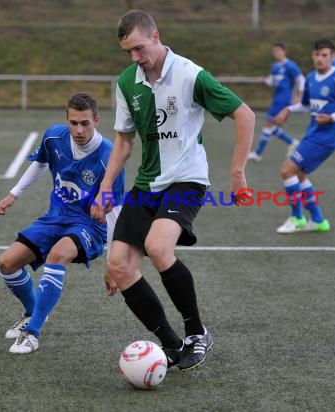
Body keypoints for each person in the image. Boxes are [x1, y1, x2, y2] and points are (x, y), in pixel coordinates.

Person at [91, 10, 254, 370]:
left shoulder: (190, 74)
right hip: (148, 183)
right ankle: (171, 344)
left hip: (187, 179)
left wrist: (237, 172)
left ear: (155, 36)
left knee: (157, 246)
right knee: (118, 265)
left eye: (138, 48)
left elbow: (245, 114)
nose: (135, 58)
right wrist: (105, 188)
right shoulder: (127, 83)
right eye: (128, 53)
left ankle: (197, 333)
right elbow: (123, 140)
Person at [0, 92, 125, 354]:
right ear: (66, 120)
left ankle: (32, 333)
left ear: (97, 120)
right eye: (74, 122)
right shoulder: (54, 136)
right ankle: (32, 312)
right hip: (56, 216)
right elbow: (40, 163)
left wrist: (113, 262)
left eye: (85, 123)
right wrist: (14, 193)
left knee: (57, 255)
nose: (79, 130)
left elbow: (115, 210)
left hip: (90, 225)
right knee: (7, 263)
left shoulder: (109, 156)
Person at [273, 39, 335, 234]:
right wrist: (289, 108)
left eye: (325, 55)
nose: (320, 59)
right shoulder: (311, 78)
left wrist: (332, 117)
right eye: (317, 55)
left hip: (325, 138)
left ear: (332, 57)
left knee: (287, 171)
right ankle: (319, 220)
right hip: (312, 133)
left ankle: (297, 218)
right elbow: (306, 105)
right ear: (312, 56)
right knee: (299, 174)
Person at [248, 43, 304, 161]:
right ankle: (293, 142)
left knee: (269, 125)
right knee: (272, 126)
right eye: (274, 51)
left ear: (285, 52)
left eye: (278, 51)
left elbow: (301, 79)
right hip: (277, 97)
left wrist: (299, 95)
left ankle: (258, 153)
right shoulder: (274, 66)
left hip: (285, 98)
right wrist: (265, 81)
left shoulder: (290, 65)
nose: (276, 54)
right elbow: (273, 81)